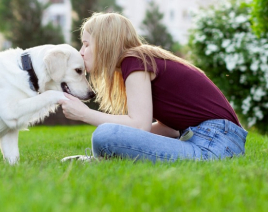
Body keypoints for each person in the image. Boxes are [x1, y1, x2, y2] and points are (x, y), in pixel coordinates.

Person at [58, 12, 247, 163]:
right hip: (220, 141)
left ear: (106, 43)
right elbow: (170, 130)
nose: (81, 53)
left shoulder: (134, 60)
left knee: (105, 134)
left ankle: (103, 160)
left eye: (86, 45)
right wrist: (124, 137)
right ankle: (106, 161)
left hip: (214, 143)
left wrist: (84, 113)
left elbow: (139, 125)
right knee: (111, 135)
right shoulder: (142, 60)